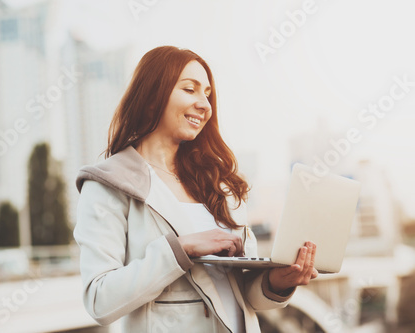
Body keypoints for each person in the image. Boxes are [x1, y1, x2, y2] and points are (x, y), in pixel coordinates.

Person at [73, 45, 318, 333]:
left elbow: (242, 297)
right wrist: (181, 249)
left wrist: (278, 281)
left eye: (207, 94)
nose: (205, 104)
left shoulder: (217, 184)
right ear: (152, 98)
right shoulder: (109, 184)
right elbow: (100, 301)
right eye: (190, 90)